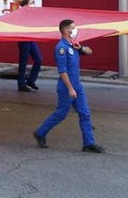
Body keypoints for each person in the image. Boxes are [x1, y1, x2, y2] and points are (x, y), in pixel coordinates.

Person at [33, 19, 104, 153]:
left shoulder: (73, 45)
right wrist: (70, 89)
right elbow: (62, 71)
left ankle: (89, 143)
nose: (75, 30)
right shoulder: (61, 48)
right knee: (61, 113)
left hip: (77, 85)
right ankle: (40, 132)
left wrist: (81, 48)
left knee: (85, 113)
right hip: (67, 87)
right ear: (66, 30)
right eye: (73, 27)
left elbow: (90, 51)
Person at [16, 0, 41, 92]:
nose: (33, 4)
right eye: (31, 3)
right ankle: (21, 84)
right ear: (26, 5)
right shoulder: (20, 14)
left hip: (31, 39)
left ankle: (31, 81)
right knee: (23, 62)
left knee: (38, 59)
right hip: (23, 40)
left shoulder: (33, 14)